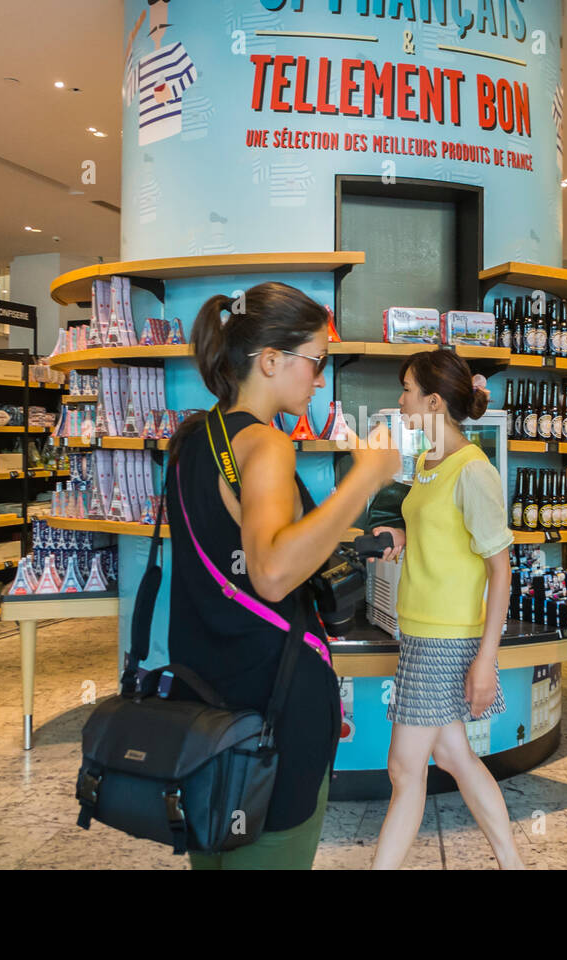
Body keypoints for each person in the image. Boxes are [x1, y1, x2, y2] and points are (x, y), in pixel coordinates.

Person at [166, 282, 400, 869]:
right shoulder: (266, 445)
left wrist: (348, 542)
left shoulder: (195, 439)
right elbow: (270, 573)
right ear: (270, 360)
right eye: (315, 361)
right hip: (271, 706)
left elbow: (233, 553)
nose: (319, 379)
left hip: (203, 704)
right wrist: (363, 481)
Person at [369, 349, 524, 870]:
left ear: (433, 401)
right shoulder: (425, 462)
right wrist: (401, 534)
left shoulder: (473, 470)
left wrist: (486, 657)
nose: (401, 399)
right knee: (453, 755)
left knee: (404, 767)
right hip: (419, 629)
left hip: (446, 637)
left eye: (408, 389)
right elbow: (440, 534)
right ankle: (511, 862)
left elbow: (500, 568)